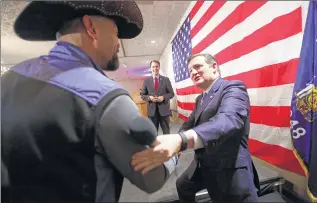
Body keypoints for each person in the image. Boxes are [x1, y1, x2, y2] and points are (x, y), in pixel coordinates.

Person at [1, 1, 177, 202]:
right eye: (116, 31)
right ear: (92, 28)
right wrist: (175, 151)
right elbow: (151, 178)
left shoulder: (8, 80)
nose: (118, 42)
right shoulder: (105, 95)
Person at [132, 54, 260, 202]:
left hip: (227, 166)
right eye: (190, 70)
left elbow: (228, 120)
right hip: (203, 162)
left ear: (214, 67)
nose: (193, 72)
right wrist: (174, 147)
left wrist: (182, 141)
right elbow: (189, 124)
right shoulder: (201, 98)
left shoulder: (233, 88)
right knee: (183, 186)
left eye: (197, 67)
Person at [140, 60, 175, 134]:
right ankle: (155, 146)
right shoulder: (146, 81)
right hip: (152, 112)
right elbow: (142, 95)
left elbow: (171, 93)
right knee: (153, 133)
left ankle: (167, 145)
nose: (155, 68)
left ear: (159, 67)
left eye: (156, 66)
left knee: (166, 132)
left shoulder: (166, 80)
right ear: (150, 68)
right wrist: (150, 98)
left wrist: (163, 97)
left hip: (164, 111)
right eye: (153, 67)